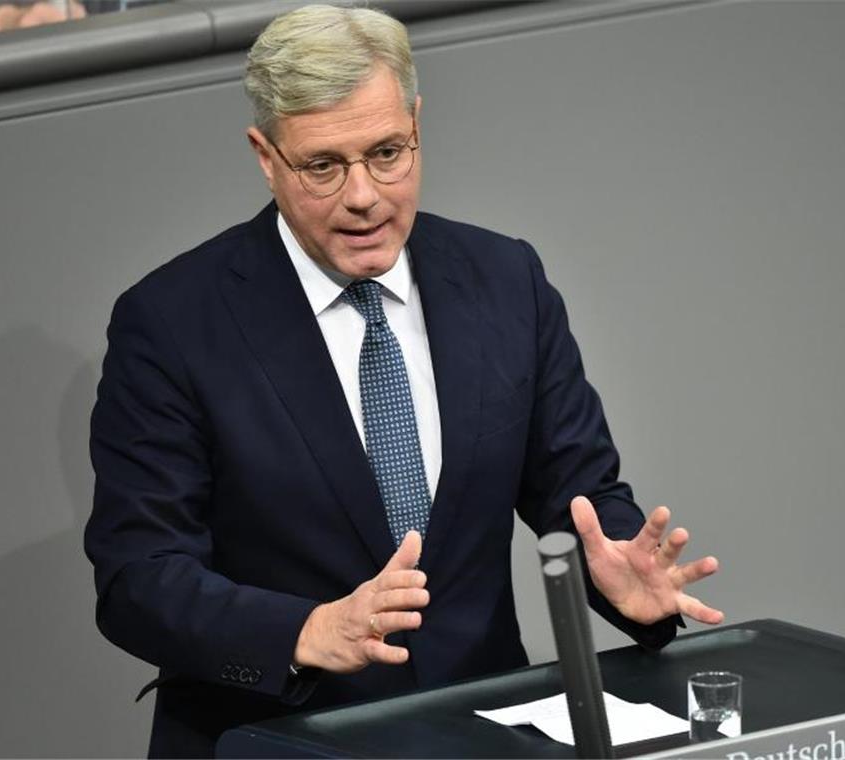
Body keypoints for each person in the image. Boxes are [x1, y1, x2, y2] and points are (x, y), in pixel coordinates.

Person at [85, 5, 724, 758]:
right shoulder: (173, 322)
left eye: (388, 152)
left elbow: (578, 492)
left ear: (418, 124)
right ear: (266, 155)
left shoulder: (503, 281)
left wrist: (619, 569)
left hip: (478, 734)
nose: (364, 196)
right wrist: (305, 632)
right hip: (276, 739)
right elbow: (139, 580)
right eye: (324, 165)